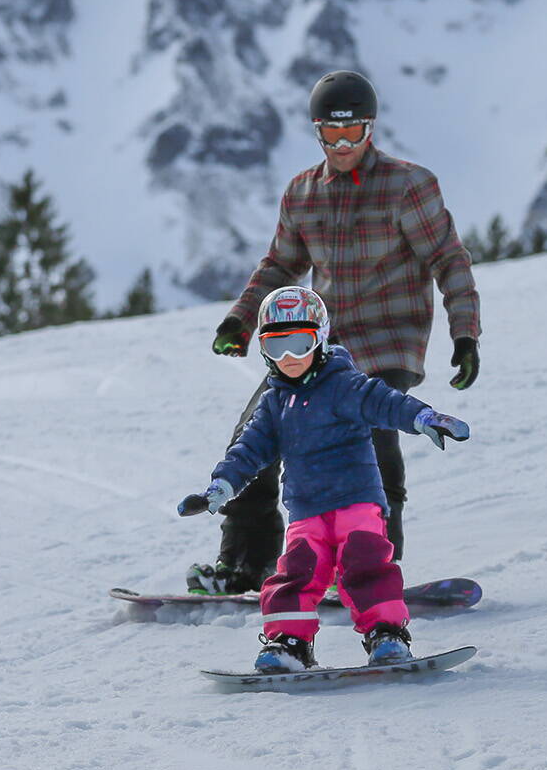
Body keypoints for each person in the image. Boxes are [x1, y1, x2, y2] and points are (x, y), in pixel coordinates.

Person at [188, 69, 481, 595]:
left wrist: (466, 334)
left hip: (390, 340)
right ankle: (245, 565)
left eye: (354, 133)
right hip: (315, 342)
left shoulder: (408, 186)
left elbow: (448, 259)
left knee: (370, 442)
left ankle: (368, 574)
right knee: (256, 433)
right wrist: (241, 318)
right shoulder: (303, 193)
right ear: (317, 131)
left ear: (371, 129)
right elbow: (280, 267)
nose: (343, 145)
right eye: (331, 134)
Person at [180, 286, 471, 672]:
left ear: (319, 339)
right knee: (296, 575)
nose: (289, 358)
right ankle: (290, 642)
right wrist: (222, 487)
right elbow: (248, 450)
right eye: (276, 347)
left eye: (299, 344)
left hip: (356, 502)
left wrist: (423, 418)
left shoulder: (342, 384)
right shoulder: (273, 403)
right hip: (306, 512)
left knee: (365, 565)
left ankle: (386, 634)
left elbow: (385, 402)